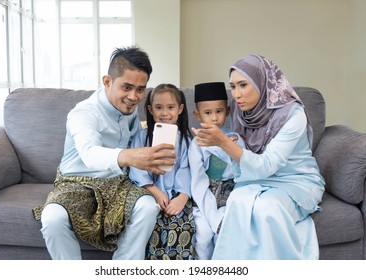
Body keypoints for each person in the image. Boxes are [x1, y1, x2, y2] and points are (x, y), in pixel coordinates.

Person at [32, 46, 177, 260]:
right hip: (76, 182)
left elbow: (136, 137)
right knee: (52, 218)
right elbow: (89, 153)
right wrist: (130, 156)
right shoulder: (83, 113)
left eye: (140, 89)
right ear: (107, 81)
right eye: (126, 87)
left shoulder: (129, 110)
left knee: (147, 207)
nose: (133, 96)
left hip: (118, 184)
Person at [192, 54, 325, 260]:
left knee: (266, 209)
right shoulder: (241, 112)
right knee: (237, 201)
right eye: (233, 87)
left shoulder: (293, 114)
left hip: (295, 181)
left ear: (262, 82)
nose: (236, 94)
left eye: (243, 85)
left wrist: (223, 142)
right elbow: (241, 165)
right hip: (254, 180)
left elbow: (268, 165)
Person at [129, 84, 196, 260]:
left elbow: (187, 170)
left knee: (183, 225)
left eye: (170, 107)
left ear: (180, 109)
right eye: (159, 107)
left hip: (177, 196)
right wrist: (155, 191)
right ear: (150, 110)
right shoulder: (142, 138)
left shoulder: (187, 142)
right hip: (150, 193)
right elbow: (136, 169)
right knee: (153, 226)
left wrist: (182, 197)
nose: (165, 113)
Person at [188, 82, 245, 260]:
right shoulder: (196, 144)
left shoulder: (235, 139)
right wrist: (213, 219)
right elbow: (198, 182)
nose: (214, 118)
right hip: (205, 199)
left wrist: (231, 147)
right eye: (208, 113)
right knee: (203, 235)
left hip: (232, 196)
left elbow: (242, 171)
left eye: (219, 111)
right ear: (197, 115)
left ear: (227, 111)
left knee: (227, 233)